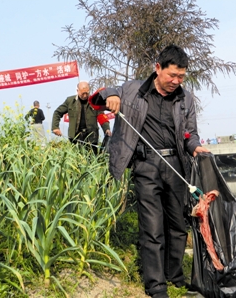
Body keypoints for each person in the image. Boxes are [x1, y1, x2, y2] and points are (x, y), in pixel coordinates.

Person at [89, 45, 210, 298]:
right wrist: (111, 97)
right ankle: (156, 286)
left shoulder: (185, 99)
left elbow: (190, 134)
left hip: (176, 165)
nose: (176, 82)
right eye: (171, 76)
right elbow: (99, 97)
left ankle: (174, 276)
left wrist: (196, 147)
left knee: (178, 226)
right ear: (158, 68)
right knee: (152, 227)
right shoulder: (133, 90)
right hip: (146, 165)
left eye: (181, 77)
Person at [52, 81, 111, 154]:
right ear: (77, 91)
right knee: (76, 161)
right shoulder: (70, 101)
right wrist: (55, 127)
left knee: (92, 160)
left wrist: (106, 129)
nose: (85, 95)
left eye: (87, 93)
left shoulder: (94, 101)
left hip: (91, 137)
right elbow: (57, 112)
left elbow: (101, 116)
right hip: (75, 137)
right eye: (83, 93)